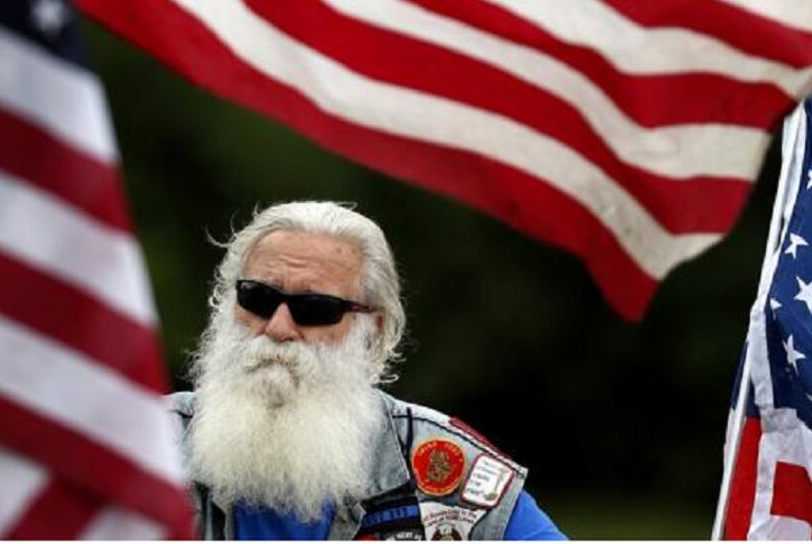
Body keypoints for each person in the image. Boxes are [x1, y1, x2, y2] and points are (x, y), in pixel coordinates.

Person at [171, 201, 566, 540]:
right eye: (257, 297)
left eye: (315, 308)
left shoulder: (450, 475)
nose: (277, 328)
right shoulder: (140, 438)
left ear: (372, 333)